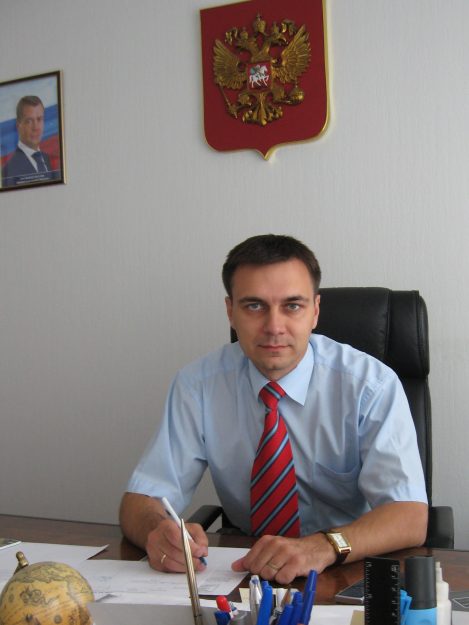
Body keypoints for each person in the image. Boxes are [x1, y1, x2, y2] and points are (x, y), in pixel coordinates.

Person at [120, 234, 428, 584]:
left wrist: (323, 546)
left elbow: (409, 516)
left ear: (315, 311)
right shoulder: (197, 386)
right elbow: (141, 499)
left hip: (343, 565)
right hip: (245, 568)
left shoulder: (370, 385)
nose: (274, 327)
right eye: (254, 306)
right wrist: (157, 530)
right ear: (230, 312)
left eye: (292, 306)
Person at [2, 95, 56, 188]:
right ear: (18, 126)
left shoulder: (46, 158)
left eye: (39, 119)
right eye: (29, 121)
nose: (36, 127)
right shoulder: (8, 170)